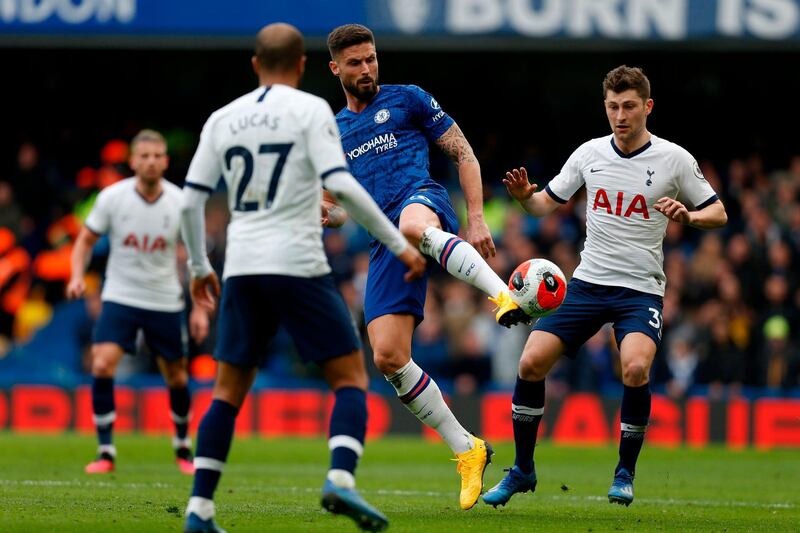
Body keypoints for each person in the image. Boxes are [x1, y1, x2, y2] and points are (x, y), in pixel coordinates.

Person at [180, 23, 426, 533]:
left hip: (243, 266)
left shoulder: (222, 119)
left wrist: (199, 267)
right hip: (296, 263)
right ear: (301, 66)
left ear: (255, 64)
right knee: (350, 379)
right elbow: (341, 187)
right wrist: (399, 243)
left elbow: (191, 198)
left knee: (226, 392)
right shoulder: (313, 110)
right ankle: (340, 477)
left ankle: (199, 511)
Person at [483, 65, 728, 508]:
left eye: (630, 106)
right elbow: (544, 204)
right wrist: (523, 197)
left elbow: (719, 212)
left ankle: (624, 472)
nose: (621, 115)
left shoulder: (674, 159)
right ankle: (522, 470)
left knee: (634, 368)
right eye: (613, 106)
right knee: (531, 363)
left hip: (640, 289)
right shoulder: (589, 154)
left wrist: (689, 217)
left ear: (647, 107)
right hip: (588, 283)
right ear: (605, 107)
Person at [326, 23, 527, 510]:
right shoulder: (331, 131)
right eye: (355, 62)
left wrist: (477, 218)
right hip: (384, 243)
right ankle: (468, 449)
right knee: (388, 357)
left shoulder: (409, 98)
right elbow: (333, 207)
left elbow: (463, 152)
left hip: (423, 204)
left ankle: (502, 295)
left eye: (371, 58)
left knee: (414, 225)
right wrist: (322, 213)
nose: (367, 68)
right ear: (336, 69)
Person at [67, 129, 209, 475]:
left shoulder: (181, 203)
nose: (150, 162)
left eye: (156, 156)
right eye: (143, 156)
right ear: (132, 161)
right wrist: (76, 275)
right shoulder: (112, 198)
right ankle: (105, 452)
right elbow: (85, 241)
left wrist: (201, 310)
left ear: (165, 161)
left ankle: (181, 448)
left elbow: (197, 260)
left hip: (164, 300)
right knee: (101, 364)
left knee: (176, 376)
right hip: (121, 296)